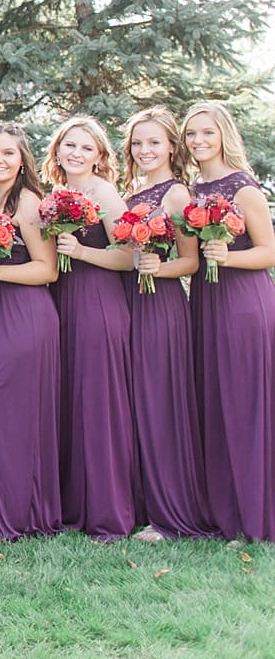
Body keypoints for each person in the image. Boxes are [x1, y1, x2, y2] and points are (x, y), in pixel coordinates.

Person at [0, 123, 62, 548]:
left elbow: (48, 268)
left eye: (7, 154)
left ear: (23, 159)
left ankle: (7, 522)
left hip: (24, 315)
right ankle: (9, 511)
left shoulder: (27, 202)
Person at [119, 108, 214, 541]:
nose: (145, 150)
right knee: (139, 404)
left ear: (172, 146)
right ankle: (145, 502)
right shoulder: (133, 189)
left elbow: (190, 261)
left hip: (161, 306)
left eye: (154, 142)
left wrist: (158, 268)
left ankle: (172, 515)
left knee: (161, 403)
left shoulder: (176, 194)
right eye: (138, 143)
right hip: (131, 303)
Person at [182, 101, 275, 542]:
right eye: (191, 134)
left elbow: (270, 251)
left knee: (243, 405)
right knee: (215, 402)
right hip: (206, 301)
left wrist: (228, 257)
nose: (198, 141)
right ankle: (221, 512)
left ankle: (252, 516)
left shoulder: (244, 189)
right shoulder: (194, 188)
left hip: (242, 304)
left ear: (224, 136)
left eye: (207, 133)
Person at [44, 115, 137, 540]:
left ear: (99, 155)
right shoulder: (56, 195)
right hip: (65, 302)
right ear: (58, 150)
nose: (76, 153)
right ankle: (74, 507)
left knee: (99, 404)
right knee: (72, 403)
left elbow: (127, 257)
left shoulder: (103, 193)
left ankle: (108, 514)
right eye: (70, 145)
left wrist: (79, 251)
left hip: (100, 303)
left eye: (86, 147)